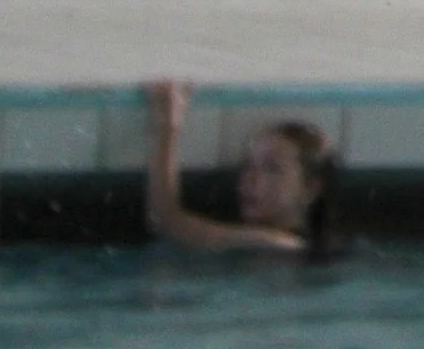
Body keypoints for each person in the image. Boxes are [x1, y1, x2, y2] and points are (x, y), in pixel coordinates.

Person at [144, 80, 337, 253]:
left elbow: (166, 221)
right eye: (248, 165)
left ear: (309, 189)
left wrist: (167, 128)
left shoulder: (275, 243)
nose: (250, 178)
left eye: (271, 168)